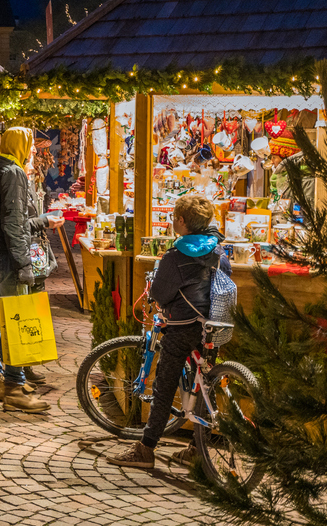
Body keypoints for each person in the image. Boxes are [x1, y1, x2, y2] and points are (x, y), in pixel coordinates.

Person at [108, 194, 227, 469]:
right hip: (215, 324)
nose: (173, 221)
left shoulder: (175, 256)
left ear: (182, 221)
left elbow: (161, 293)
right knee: (206, 384)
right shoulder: (218, 249)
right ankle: (198, 449)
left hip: (183, 326)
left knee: (164, 386)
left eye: (174, 216)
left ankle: (146, 449)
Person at [0, 127, 60, 413]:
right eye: (31, 147)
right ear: (20, 145)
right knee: (15, 321)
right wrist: (23, 262)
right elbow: (14, 222)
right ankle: (13, 386)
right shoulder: (13, 172)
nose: (34, 151)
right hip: (7, 257)